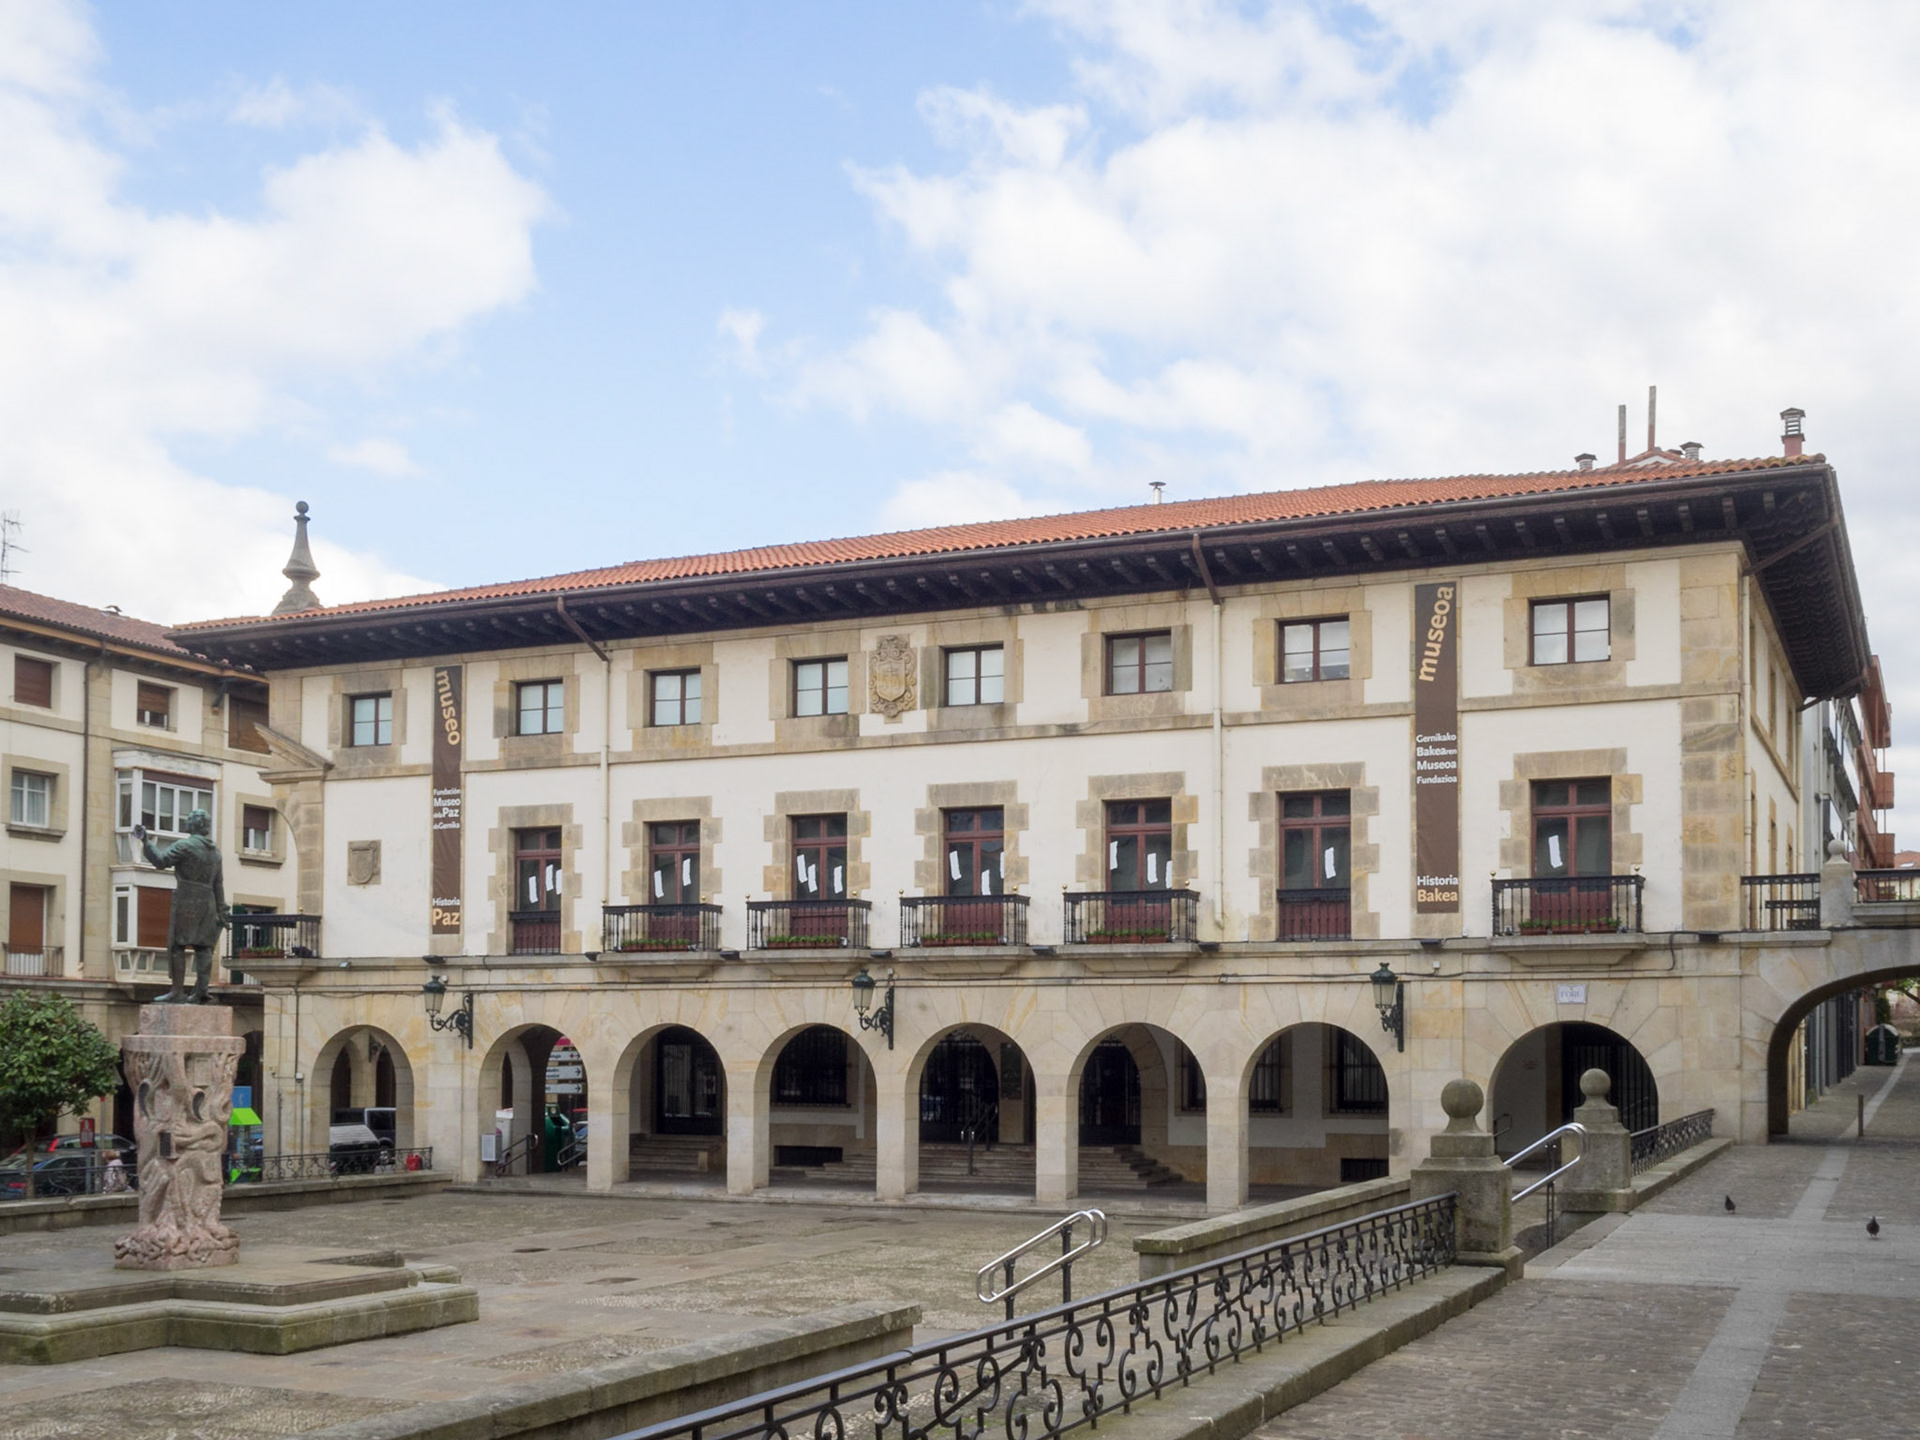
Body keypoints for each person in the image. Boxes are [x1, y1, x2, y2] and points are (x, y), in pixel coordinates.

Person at [132, 809, 230, 1004]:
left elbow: (161, 861)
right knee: (204, 948)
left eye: (190, 819)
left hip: (188, 899)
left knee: (178, 945)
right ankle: (201, 990)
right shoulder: (216, 853)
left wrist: (146, 841)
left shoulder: (185, 846)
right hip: (208, 901)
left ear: (196, 825)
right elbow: (218, 883)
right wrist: (222, 910)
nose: (187, 821)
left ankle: (177, 991)